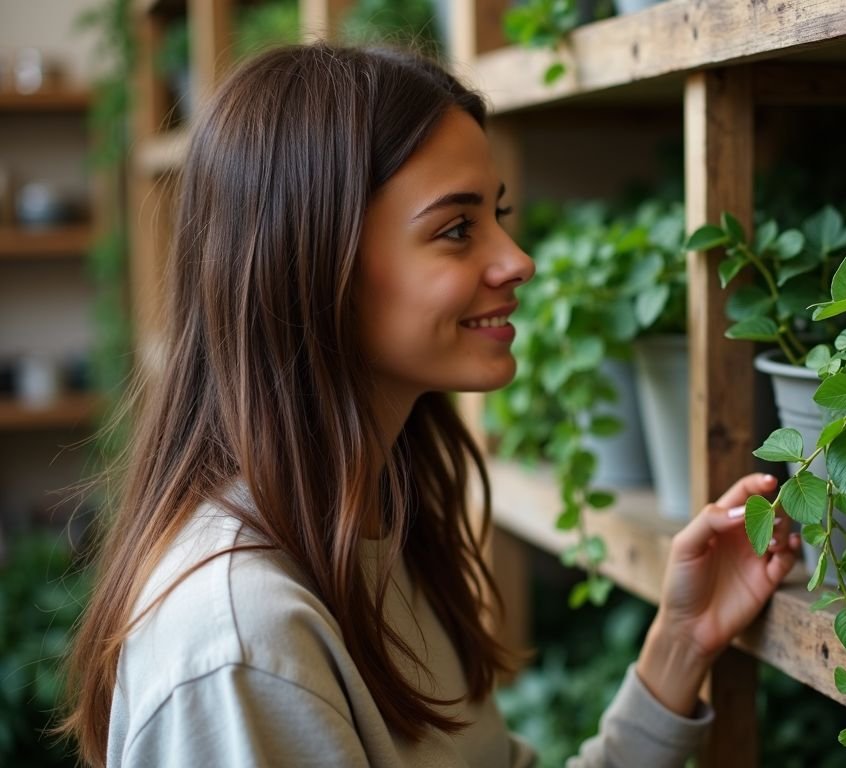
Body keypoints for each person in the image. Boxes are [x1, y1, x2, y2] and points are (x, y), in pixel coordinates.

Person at [57, 44, 800, 767]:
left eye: (497, 215)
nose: (517, 261)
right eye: (455, 229)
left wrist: (680, 643)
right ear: (315, 264)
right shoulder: (241, 646)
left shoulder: (372, 519)